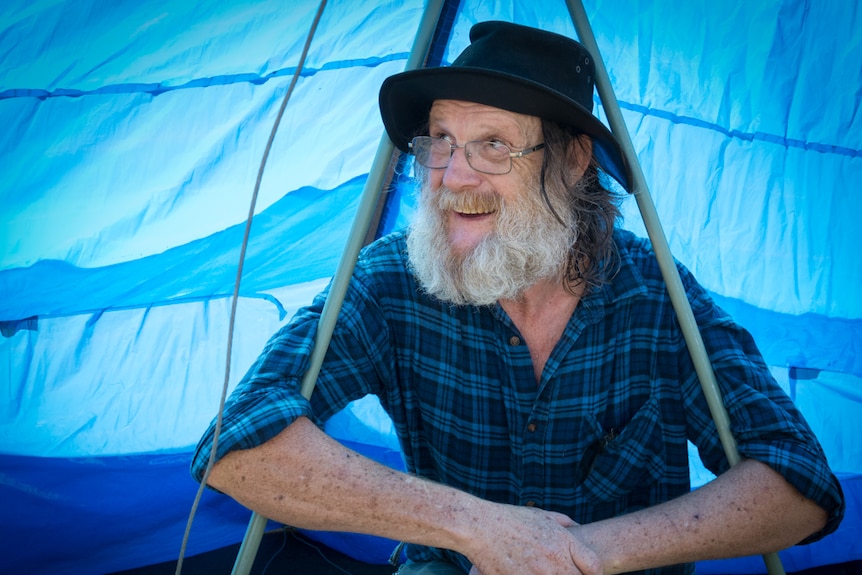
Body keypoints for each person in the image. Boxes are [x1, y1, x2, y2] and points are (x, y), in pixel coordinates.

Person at [191, 21, 844, 575]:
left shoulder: (656, 294)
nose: (452, 175)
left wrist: (581, 552)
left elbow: (799, 482)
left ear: (571, 162)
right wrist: (478, 526)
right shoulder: (393, 279)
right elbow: (236, 445)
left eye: (493, 145)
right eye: (439, 141)